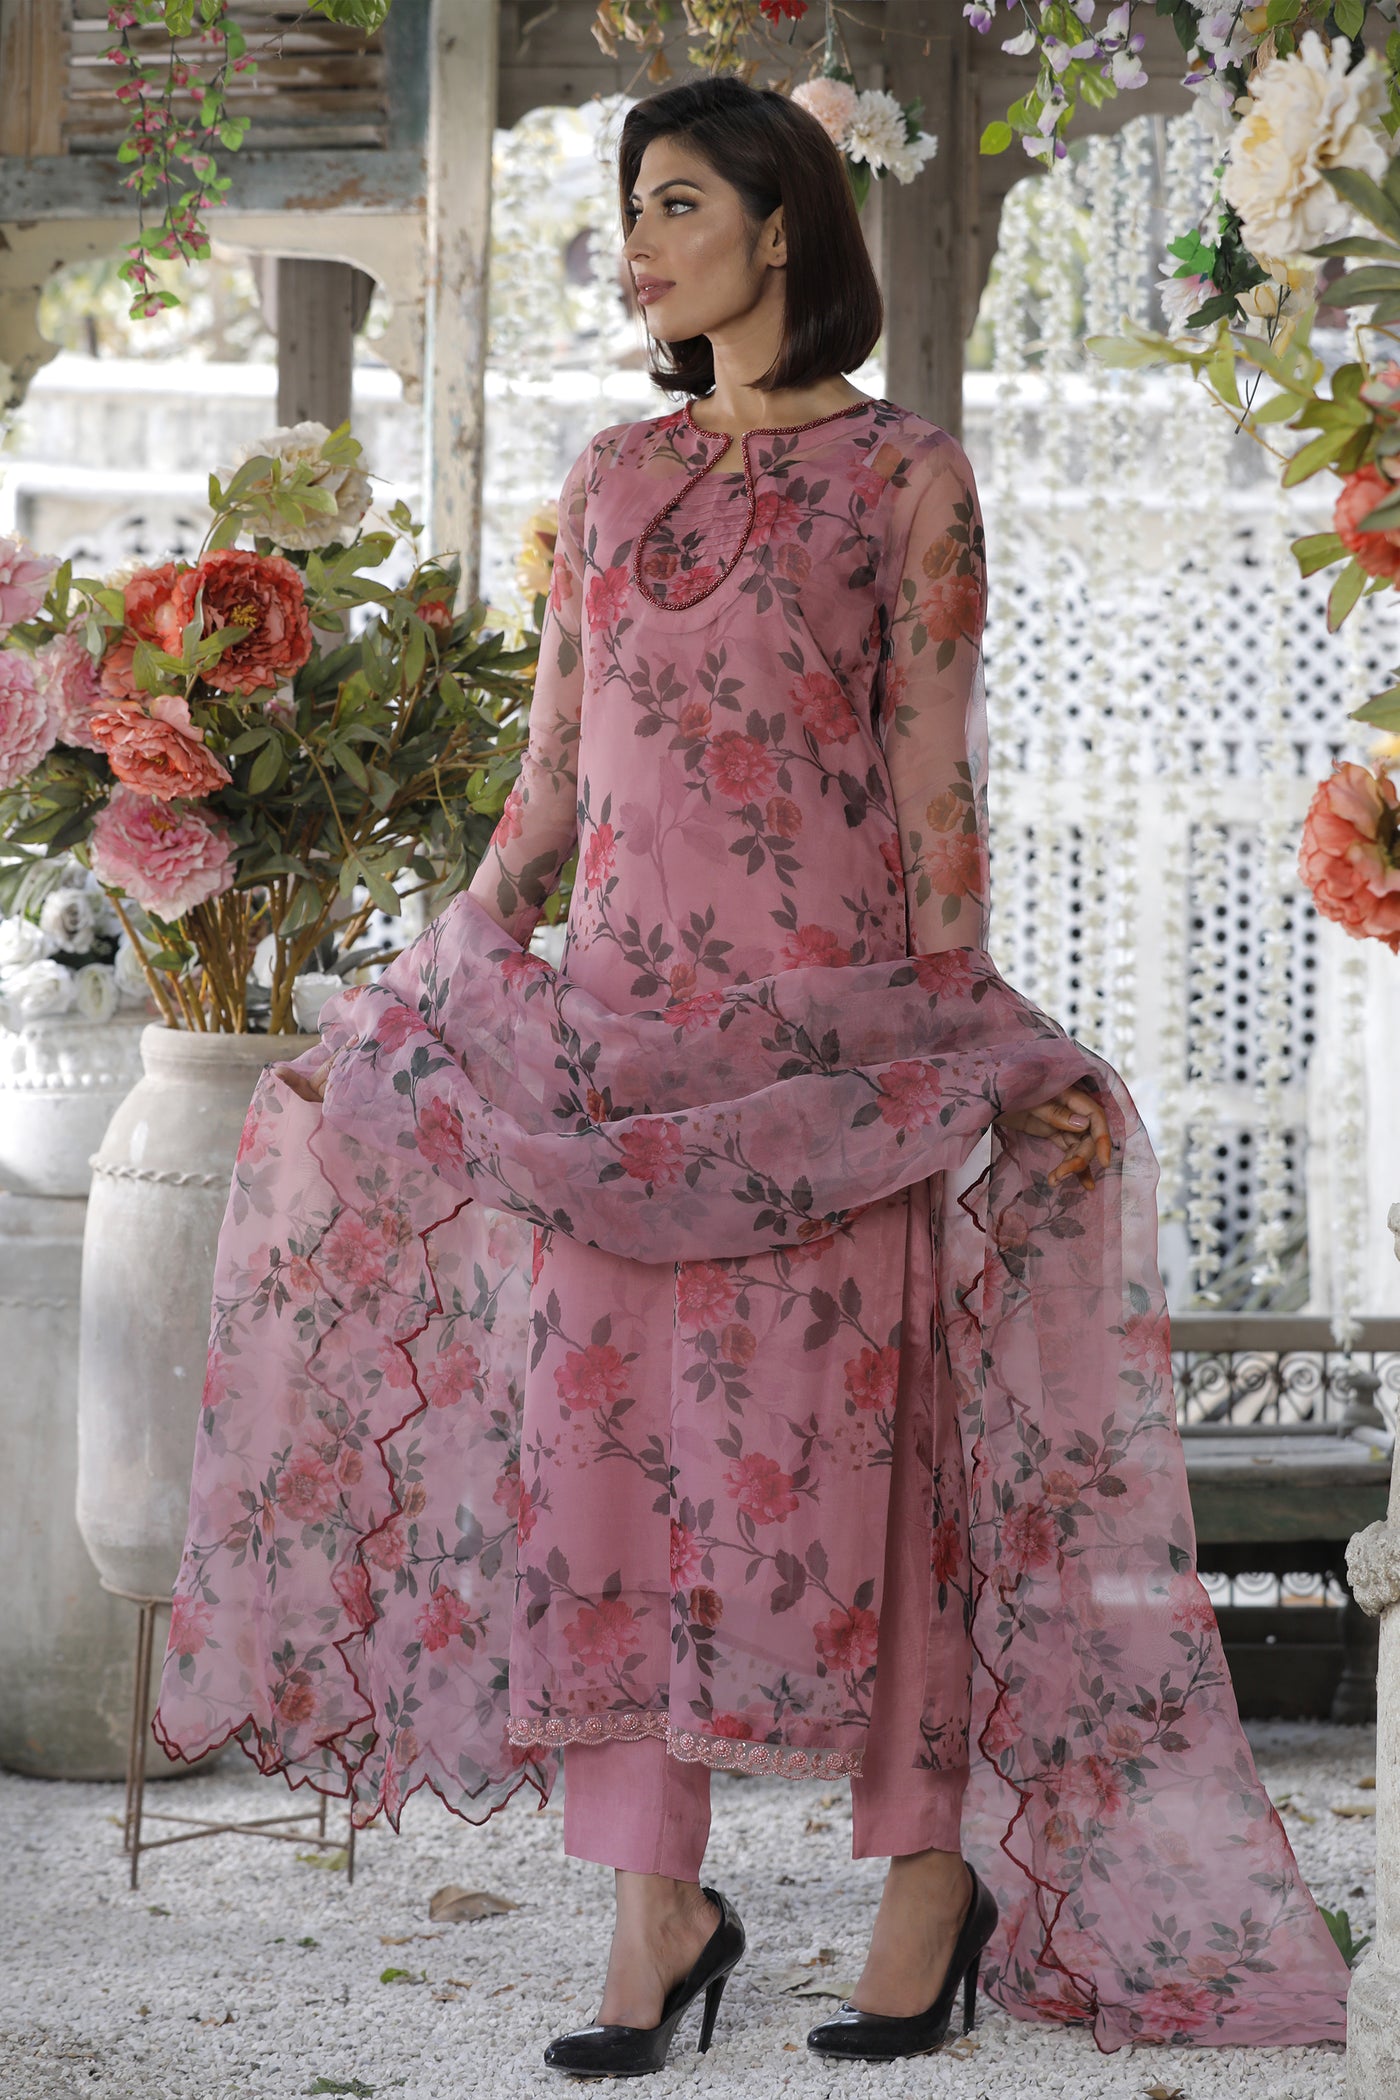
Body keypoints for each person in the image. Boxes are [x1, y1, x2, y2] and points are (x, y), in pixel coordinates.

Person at [152, 75, 1350, 2076]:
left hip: (830, 1069)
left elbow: (933, 789)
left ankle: (925, 1889)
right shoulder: (612, 477)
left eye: (678, 203)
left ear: (781, 225)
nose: (638, 242)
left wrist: (971, 1037)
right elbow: (552, 783)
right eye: (631, 205)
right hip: (610, 1071)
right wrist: (429, 984)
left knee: (874, 1486)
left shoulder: (907, 477)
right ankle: (657, 1918)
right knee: (606, 1483)